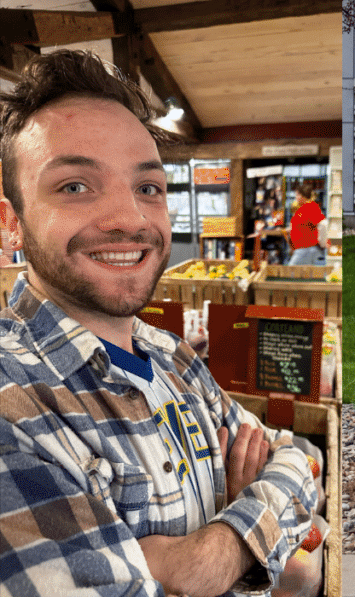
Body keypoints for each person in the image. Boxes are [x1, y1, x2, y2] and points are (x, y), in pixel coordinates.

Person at [0, 50, 317, 596]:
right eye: (75, 186)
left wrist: (215, 555)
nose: (130, 219)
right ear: (11, 224)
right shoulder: (14, 405)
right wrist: (258, 533)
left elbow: (301, 458)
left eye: (148, 187)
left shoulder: (174, 355)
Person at [286, 182, 327, 265]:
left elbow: (323, 224)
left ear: (303, 195)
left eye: (297, 195)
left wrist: (323, 243)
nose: (296, 197)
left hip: (307, 249)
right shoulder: (303, 208)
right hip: (302, 249)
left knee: (291, 274)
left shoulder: (310, 207)